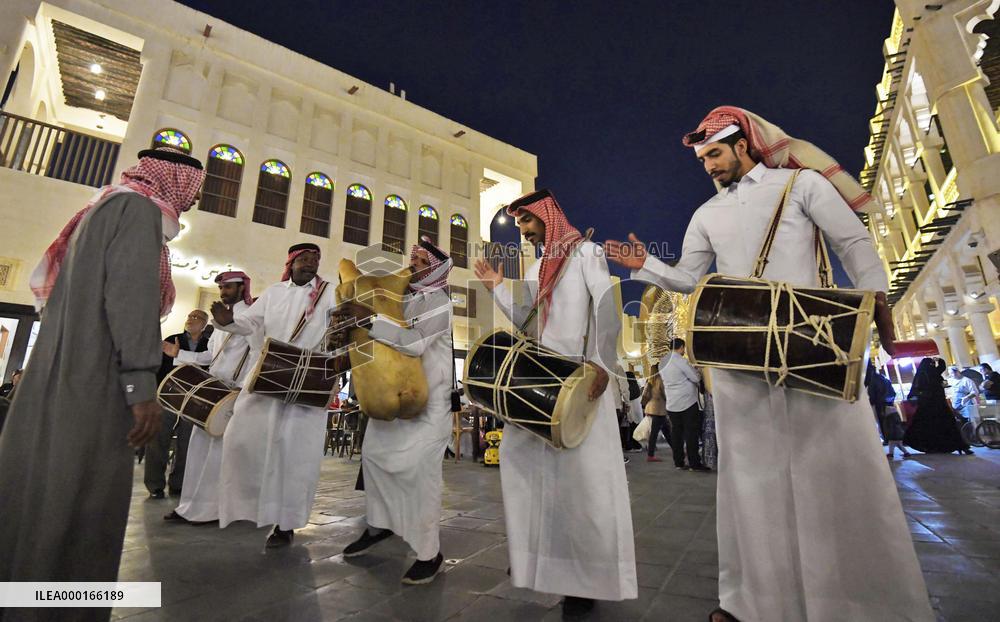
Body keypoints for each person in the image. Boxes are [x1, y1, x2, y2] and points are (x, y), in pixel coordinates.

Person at [605, 107, 933, 621]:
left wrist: (871, 309)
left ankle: (858, 604)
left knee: (830, 470)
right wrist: (644, 265)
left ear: (744, 144)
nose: (709, 165)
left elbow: (853, 242)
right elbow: (690, 279)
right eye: (702, 158)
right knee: (750, 478)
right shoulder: (705, 215)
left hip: (812, 345)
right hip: (738, 356)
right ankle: (753, 603)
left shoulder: (799, 186)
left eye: (715, 152)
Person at [0, 147, 204, 619]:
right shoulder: (137, 212)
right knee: (81, 499)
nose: (193, 201)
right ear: (173, 181)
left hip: (68, 376)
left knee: (46, 490)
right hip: (96, 382)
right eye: (193, 190)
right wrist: (140, 386)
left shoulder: (104, 207)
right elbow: (130, 302)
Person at [474, 189, 637, 619]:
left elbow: (606, 309)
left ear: (548, 217)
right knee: (521, 462)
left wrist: (603, 363)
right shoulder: (535, 265)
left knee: (582, 485)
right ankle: (539, 561)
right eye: (521, 223)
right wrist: (495, 288)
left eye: (528, 221)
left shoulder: (586, 254)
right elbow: (526, 320)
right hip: (538, 386)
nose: (524, 231)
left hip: (580, 384)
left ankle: (586, 579)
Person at [336, 236, 454, 585]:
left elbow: (414, 343)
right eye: (413, 257)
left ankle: (430, 554)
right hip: (393, 396)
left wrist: (369, 319)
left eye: (421, 260)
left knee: (420, 475)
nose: (413, 262)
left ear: (436, 268)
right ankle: (378, 526)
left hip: (429, 404)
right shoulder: (400, 297)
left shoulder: (439, 302)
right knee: (374, 457)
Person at [211, 243, 337, 548]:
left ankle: (286, 523)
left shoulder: (331, 292)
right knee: (242, 437)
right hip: (267, 374)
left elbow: (342, 328)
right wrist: (227, 322)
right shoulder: (274, 293)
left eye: (315, 259)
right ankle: (249, 507)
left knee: (294, 454)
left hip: (306, 379)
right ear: (291, 263)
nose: (311, 263)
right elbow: (251, 323)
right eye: (304, 259)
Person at [163, 271, 258, 524]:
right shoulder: (217, 321)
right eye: (222, 287)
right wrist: (179, 353)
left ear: (242, 288)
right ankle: (190, 506)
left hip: (234, 394)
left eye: (229, 287)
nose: (224, 291)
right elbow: (209, 358)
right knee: (198, 449)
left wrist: (243, 388)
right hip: (211, 391)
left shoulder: (251, 317)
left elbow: (257, 354)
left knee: (219, 454)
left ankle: (212, 510)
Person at [145, 309, 211, 498]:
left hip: (194, 401)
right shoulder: (172, 339)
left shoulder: (209, 345)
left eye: (196, 317)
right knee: (158, 440)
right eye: (189, 316)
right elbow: (158, 366)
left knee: (187, 443)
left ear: (204, 324)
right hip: (167, 395)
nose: (191, 319)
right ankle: (155, 486)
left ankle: (179, 484)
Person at [904, 358, 973, 455]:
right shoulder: (934, 373)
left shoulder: (921, 375)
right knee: (949, 425)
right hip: (939, 404)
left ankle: (932, 446)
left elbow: (916, 389)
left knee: (926, 426)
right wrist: (938, 360)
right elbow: (942, 367)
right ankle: (961, 446)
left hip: (927, 406)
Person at [660, 338, 708, 471]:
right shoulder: (680, 361)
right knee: (691, 433)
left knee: (676, 433)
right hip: (687, 402)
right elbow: (695, 377)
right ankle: (694, 463)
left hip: (671, 403)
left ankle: (679, 462)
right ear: (681, 347)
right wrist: (698, 373)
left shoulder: (663, 361)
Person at [867, 363, 909, 460]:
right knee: (890, 422)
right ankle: (893, 442)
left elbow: (873, 394)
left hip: (879, 404)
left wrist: (871, 402)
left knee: (883, 423)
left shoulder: (872, 380)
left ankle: (888, 439)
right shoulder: (883, 378)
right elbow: (893, 392)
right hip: (888, 403)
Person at [641, 364, 670, 462]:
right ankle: (650, 455)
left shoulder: (649, 380)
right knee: (655, 433)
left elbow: (644, 394)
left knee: (667, 431)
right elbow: (665, 394)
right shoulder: (659, 380)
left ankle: (677, 450)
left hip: (651, 408)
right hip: (659, 409)